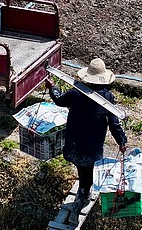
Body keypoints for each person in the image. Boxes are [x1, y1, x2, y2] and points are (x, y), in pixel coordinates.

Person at [46, 58, 128, 209]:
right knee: (86, 177)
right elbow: (114, 124)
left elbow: (58, 100)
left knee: (83, 171)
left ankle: (82, 194)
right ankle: (80, 200)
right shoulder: (107, 98)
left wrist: (53, 87)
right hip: (92, 150)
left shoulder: (75, 93)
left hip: (73, 147)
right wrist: (122, 141)